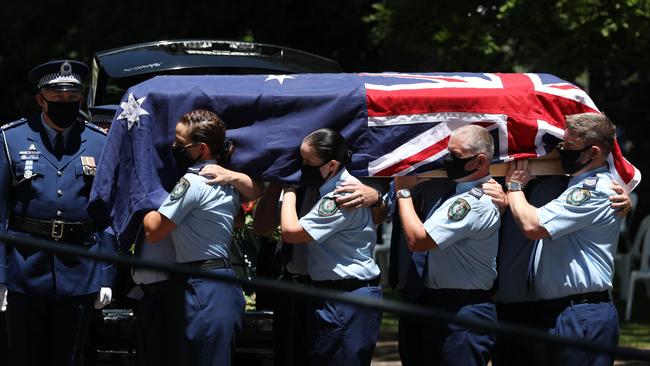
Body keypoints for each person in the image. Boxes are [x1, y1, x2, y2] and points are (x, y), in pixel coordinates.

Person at [0, 60, 115, 365]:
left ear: (80, 99)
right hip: (25, 267)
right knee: (24, 355)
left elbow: (106, 214)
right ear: (41, 99)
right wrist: (0, 276)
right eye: (57, 98)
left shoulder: (98, 141)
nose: (66, 104)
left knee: (70, 356)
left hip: (80, 268)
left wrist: (106, 274)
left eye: (72, 98)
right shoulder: (11, 139)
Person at [142, 108, 262, 366]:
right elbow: (244, 209)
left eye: (180, 143)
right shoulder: (227, 180)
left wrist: (143, 200)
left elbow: (153, 232)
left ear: (202, 149)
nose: (174, 146)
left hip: (203, 286)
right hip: (218, 284)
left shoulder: (194, 182)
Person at [505, 113, 623, 366]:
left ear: (592, 152)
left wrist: (514, 187)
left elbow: (532, 225)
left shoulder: (592, 190)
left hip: (581, 313)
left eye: (569, 147)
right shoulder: (575, 184)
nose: (561, 152)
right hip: (561, 311)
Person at [394, 124, 500, 366]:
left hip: (462, 309)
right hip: (441, 303)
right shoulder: (460, 195)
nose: (447, 160)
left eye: (456, 155)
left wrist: (403, 193)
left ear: (479, 161)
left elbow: (418, 240)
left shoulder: (471, 202)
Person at [280, 128, 382, 366]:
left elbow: (291, 233)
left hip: (346, 297)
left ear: (332, 165)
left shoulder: (340, 196)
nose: (302, 166)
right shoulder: (335, 187)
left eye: (307, 161)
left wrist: (290, 190)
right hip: (337, 295)